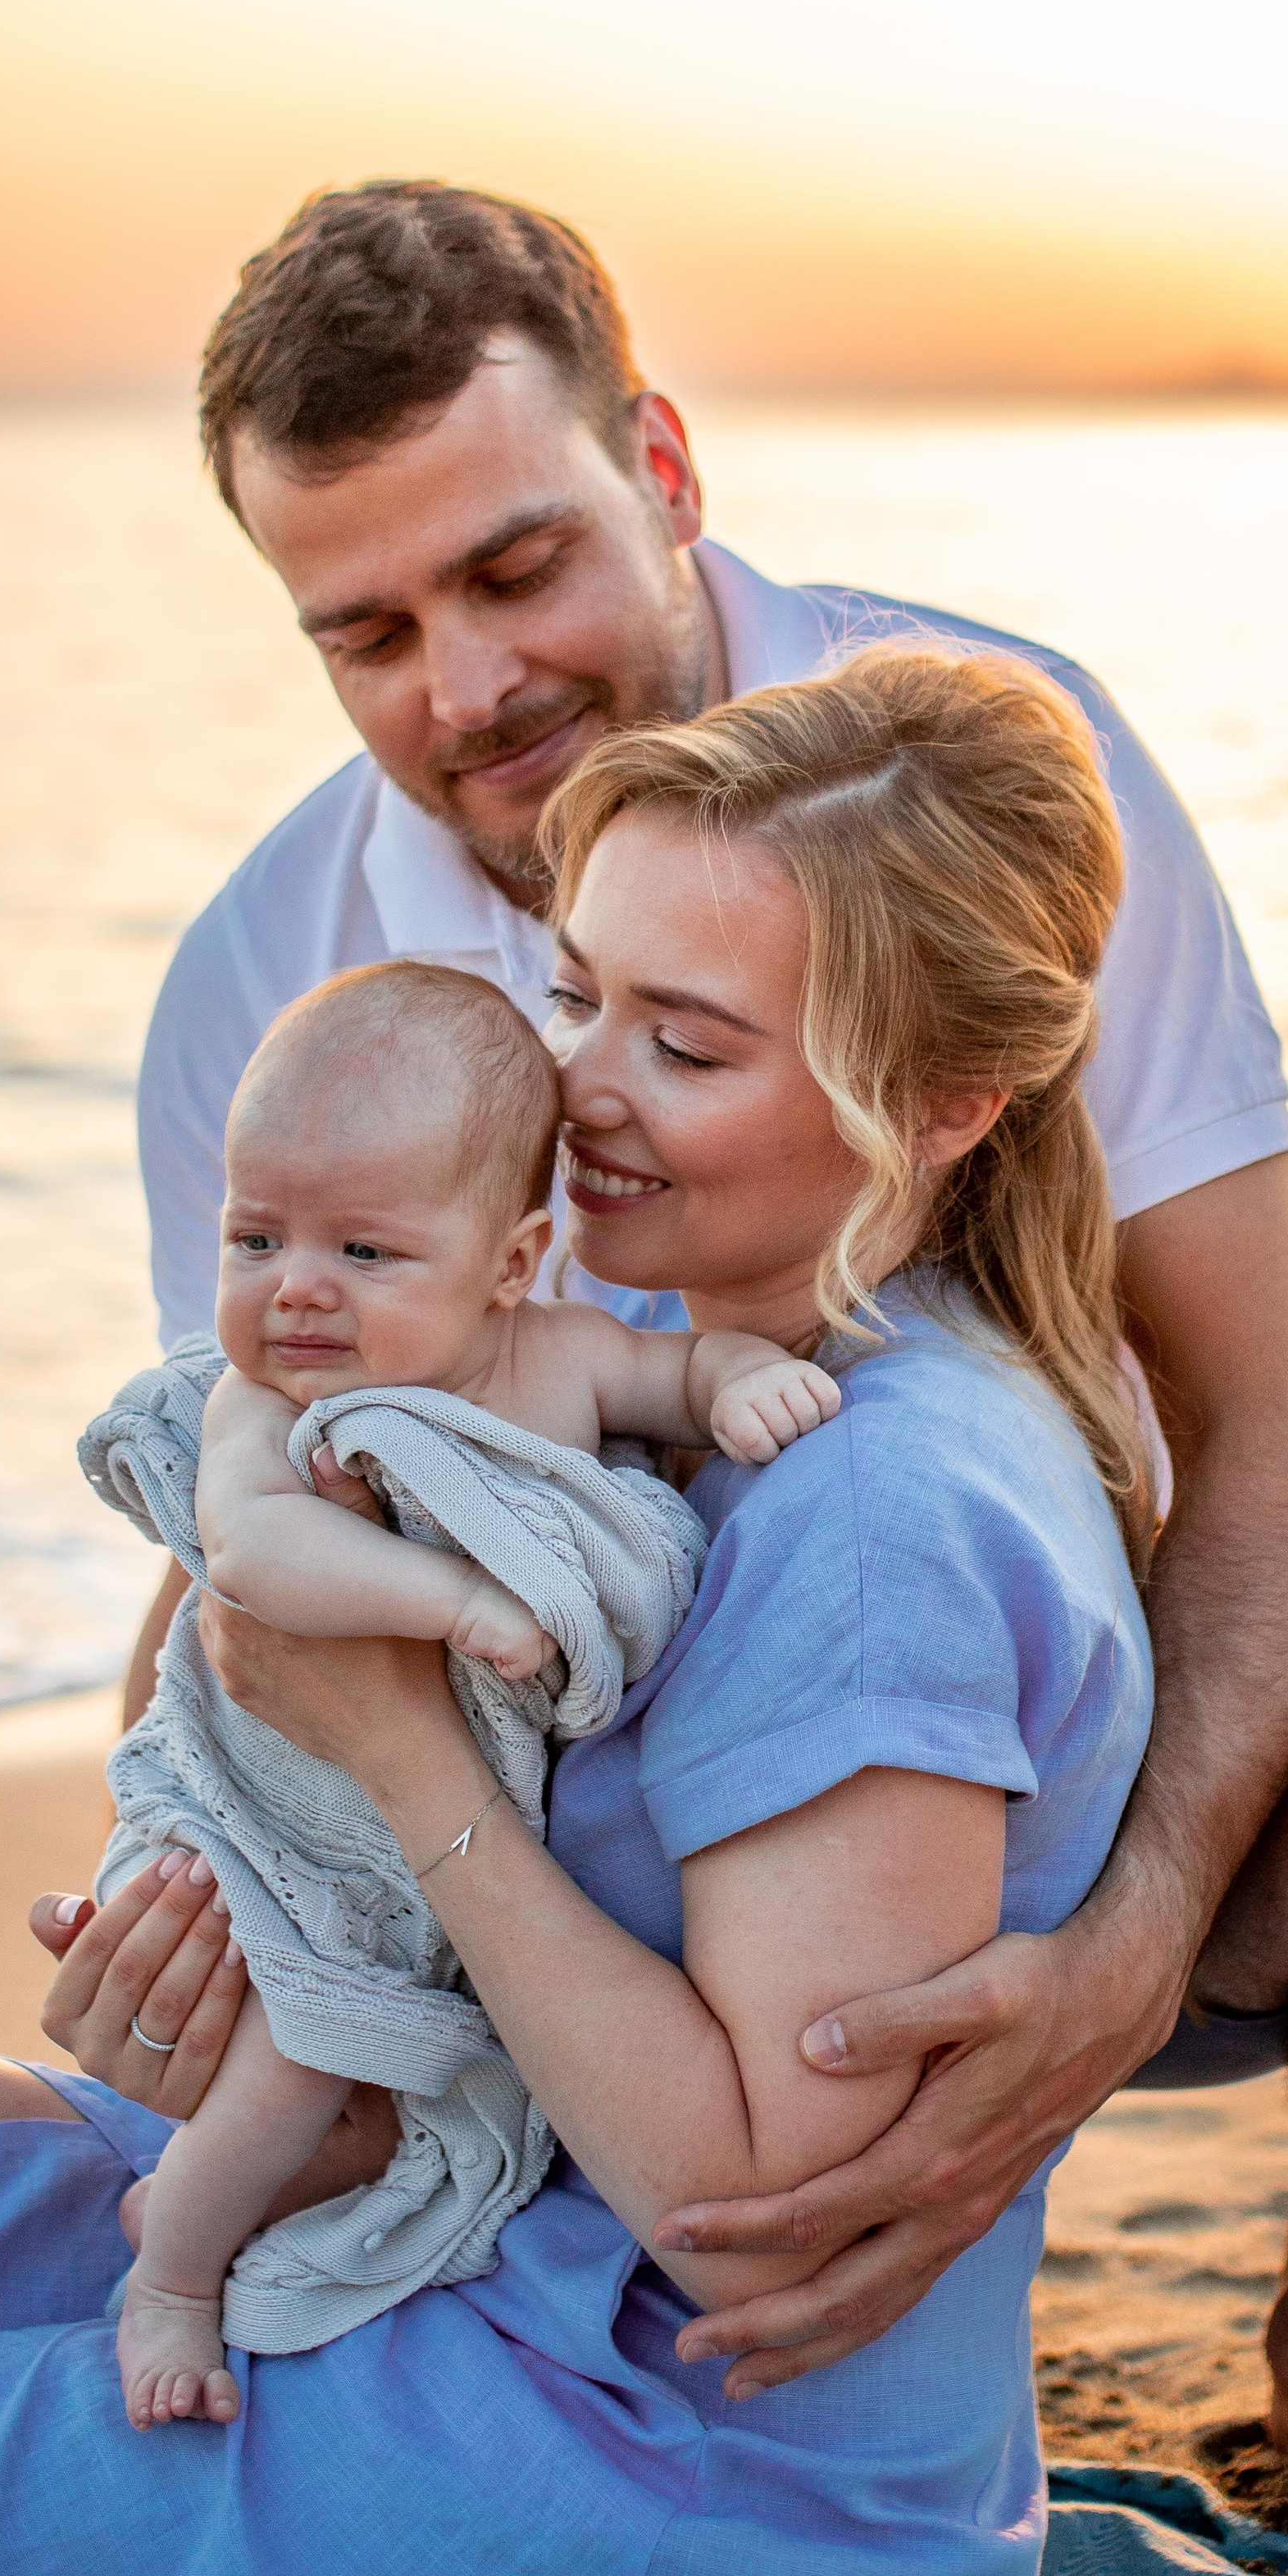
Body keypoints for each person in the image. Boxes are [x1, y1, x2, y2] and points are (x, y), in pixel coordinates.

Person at [53, 180, 1288, 2521]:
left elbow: (1281, 1402)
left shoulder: (994, 774)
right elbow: (256, 1494)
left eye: (517, 570)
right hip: (588, 1832)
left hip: (1024, 1766)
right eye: (366, 630)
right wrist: (188, 1900)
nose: (465, 687)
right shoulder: (271, 980)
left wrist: (1122, 1944)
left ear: (668, 470)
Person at [0, 644, 1156, 2576]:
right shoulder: (675, 1375)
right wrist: (244, 1959)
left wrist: (401, 1754)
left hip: (653, 2480)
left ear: (947, 1101)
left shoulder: (877, 1519)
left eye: (684, 1046)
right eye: (579, 993)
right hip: (464, 2230)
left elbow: (749, 2211)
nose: (582, 1087)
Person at [102, 957, 838, 2429]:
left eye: (366, 1252)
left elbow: (678, 1376)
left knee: (366, 2070)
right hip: (278, 1821)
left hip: (432, 1832)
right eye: (256, 1237)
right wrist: (459, 1602)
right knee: (297, 2055)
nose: (296, 1287)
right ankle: (172, 2273)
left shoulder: (562, 1361)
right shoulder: (269, 1406)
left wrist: (745, 1381)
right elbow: (255, 1551)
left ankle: (274, 2200)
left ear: (508, 1265)